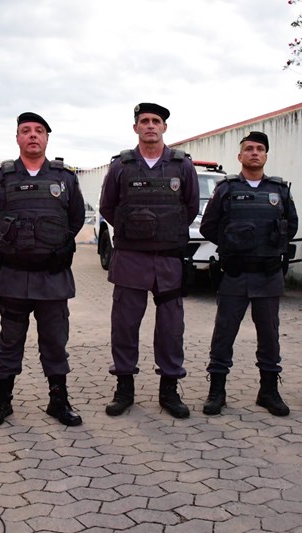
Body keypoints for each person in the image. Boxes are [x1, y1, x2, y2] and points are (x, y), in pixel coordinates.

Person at [0, 112, 85, 428]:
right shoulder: (1, 177)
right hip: (14, 275)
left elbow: (76, 217)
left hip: (52, 276)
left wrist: (62, 244)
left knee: (55, 340)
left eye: (39, 131)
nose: (33, 135)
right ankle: (2, 401)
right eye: (26, 131)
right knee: (9, 341)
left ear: (47, 138)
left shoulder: (64, 176)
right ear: (17, 138)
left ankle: (58, 400)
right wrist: (13, 246)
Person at [99, 103, 199, 419]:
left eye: (156, 121)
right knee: (125, 326)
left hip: (169, 260)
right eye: (144, 121)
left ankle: (169, 390)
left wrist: (163, 231)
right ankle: (124, 389)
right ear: (136, 128)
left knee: (171, 328)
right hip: (130, 258)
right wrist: (135, 229)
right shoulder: (121, 166)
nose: (151, 126)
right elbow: (107, 207)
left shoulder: (182, 166)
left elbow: (191, 208)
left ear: (164, 128)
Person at [199, 131, 299, 417]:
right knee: (223, 334)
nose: (254, 153)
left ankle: (268, 391)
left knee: (269, 335)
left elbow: (290, 226)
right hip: (235, 273)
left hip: (268, 275)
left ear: (266, 156)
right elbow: (208, 226)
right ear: (239, 156)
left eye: (260, 149)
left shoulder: (280, 190)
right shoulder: (226, 189)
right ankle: (217, 390)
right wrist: (234, 242)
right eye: (249, 149)